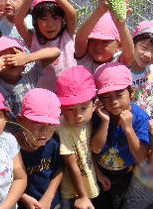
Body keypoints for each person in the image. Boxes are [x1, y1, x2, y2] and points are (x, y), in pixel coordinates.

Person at [90, 62, 150, 209]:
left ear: (131, 91)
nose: (114, 102)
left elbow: (141, 157)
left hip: (124, 174)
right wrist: (105, 122)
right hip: (98, 169)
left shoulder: (141, 118)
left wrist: (129, 129)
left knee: (116, 204)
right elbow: (95, 149)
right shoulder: (99, 115)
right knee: (97, 202)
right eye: (106, 96)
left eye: (119, 95)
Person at [14, 0, 77, 92]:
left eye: (55, 18)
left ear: (63, 19)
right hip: (43, 95)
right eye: (44, 19)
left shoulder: (66, 35)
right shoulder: (33, 38)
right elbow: (18, 20)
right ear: (35, 21)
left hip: (69, 92)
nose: (50, 24)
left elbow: (72, 14)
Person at [0, 35, 60, 121]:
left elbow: (56, 52)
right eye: (4, 57)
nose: (12, 61)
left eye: (15, 55)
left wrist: (29, 57)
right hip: (5, 130)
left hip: (30, 125)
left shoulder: (30, 71)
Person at [55, 66, 99, 209]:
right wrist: (83, 196)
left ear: (94, 104)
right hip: (71, 190)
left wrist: (98, 174)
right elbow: (72, 165)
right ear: (61, 108)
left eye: (84, 108)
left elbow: (89, 153)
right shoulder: (64, 128)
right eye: (70, 109)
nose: (78, 115)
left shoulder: (89, 122)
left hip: (87, 181)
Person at [15, 88, 64, 209]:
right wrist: (22, 196)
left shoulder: (53, 143)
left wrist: (48, 198)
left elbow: (60, 169)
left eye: (51, 124)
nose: (44, 131)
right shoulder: (11, 146)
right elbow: (5, 179)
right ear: (21, 120)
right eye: (37, 123)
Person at [75, 0, 134, 73]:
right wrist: (99, 10)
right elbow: (80, 39)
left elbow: (129, 56)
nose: (98, 47)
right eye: (93, 40)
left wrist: (121, 25)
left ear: (119, 45)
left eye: (105, 42)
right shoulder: (85, 58)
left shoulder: (118, 62)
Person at [130, 21, 153, 115]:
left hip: (143, 114)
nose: (148, 55)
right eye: (144, 48)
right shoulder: (122, 67)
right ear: (133, 43)